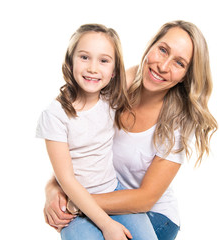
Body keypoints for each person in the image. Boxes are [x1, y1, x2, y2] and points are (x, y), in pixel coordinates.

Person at [43, 20, 218, 240]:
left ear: (186, 76)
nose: (163, 66)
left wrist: (76, 203)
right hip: (95, 197)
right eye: (163, 50)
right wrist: (53, 189)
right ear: (151, 45)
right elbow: (80, 148)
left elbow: (145, 199)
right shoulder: (120, 83)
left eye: (179, 63)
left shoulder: (178, 123)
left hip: (152, 214)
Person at [36, 23, 158, 240]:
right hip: (76, 204)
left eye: (103, 61)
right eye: (84, 57)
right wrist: (107, 225)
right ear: (70, 61)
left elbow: (145, 68)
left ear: (113, 72)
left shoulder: (110, 98)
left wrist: (162, 58)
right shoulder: (55, 115)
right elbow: (66, 179)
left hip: (114, 192)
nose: (93, 68)